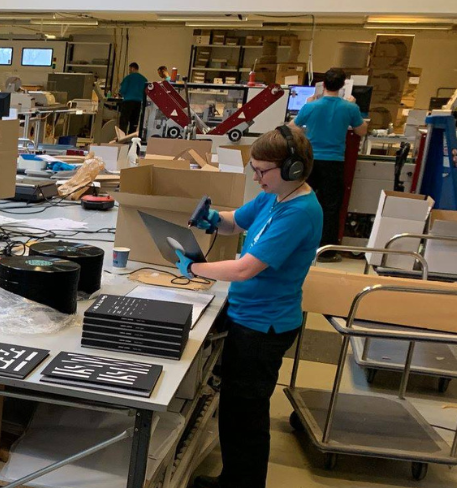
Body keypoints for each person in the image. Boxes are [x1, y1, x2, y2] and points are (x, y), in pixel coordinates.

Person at [183, 126, 323, 488]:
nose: (256, 178)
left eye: (262, 171)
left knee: (246, 415)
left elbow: (245, 269)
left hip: (265, 326)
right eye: (254, 169)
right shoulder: (274, 195)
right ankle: (234, 478)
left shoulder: (299, 212)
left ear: (292, 168)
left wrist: (195, 268)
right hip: (248, 315)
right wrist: (214, 219)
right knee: (235, 408)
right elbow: (236, 222)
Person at [291, 68, 367, 262]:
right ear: (342, 86)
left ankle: (296, 244)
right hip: (334, 162)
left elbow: (293, 128)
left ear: (323, 85)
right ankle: (327, 251)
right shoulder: (349, 108)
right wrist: (354, 105)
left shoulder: (311, 106)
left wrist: (307, 111)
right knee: (331, 207)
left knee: (301, 201)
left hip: (311, 161)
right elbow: (361, 131)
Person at [117, 62, 147, 134]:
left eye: (129, 69)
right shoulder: (144, 79)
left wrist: (120, 94)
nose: (129, 71)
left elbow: (122, 90)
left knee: (124, 121)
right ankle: (131, 137)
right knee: (134, 122)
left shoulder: (128, 78)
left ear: (132, 68)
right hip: (138, 103)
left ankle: (122, 136)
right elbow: (145, 92)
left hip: (128, 102)